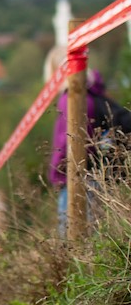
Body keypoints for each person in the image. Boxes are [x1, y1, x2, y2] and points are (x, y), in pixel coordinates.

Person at [48, 69, 131, 233]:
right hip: (100, 177)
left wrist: (57, 172)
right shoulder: (97, 96)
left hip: (78, 178)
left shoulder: (72, 99)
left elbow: (69, 143)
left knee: (74, 238)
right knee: (97, 235)